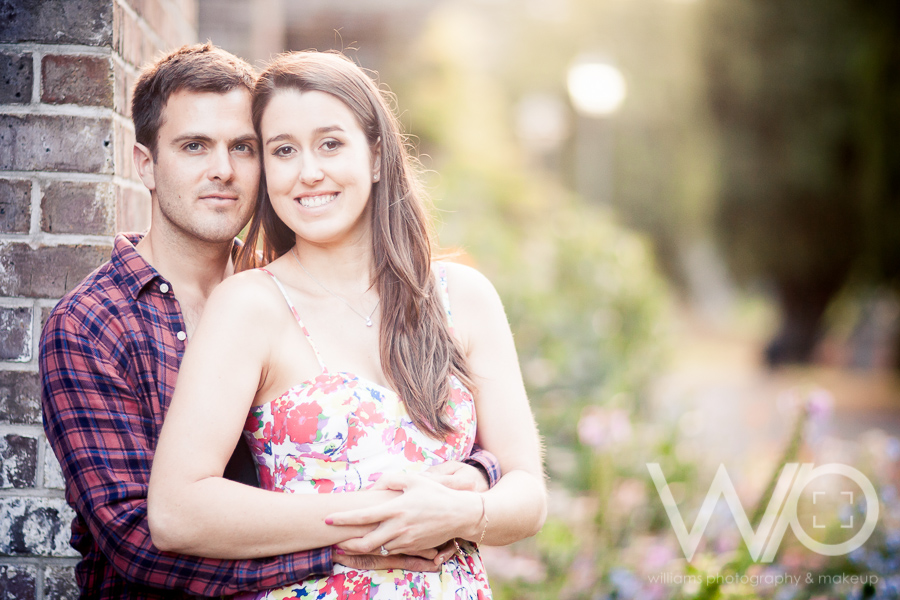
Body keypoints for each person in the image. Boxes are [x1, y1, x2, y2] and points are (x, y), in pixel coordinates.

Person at [39, 43, 502, 600]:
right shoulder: (92, 324)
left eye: (244, 147)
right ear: (147, 165)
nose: (223, 170)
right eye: (194, 146)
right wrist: (352, 544)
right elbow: (137, 538)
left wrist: (474, 476)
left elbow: (381, 445)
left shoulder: (284, 293)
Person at [147, 50, 547, 599]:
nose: (309, 171)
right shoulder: (251, 306)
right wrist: (383, 515)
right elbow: (178, 511)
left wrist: (464, 510)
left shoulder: (463, 297)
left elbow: (527, 494)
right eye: (283, 151)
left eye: (331, 143)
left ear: (377, 156)